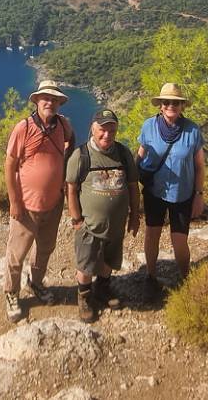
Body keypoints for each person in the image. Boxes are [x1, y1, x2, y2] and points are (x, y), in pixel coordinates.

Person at [3, 80, 75, 323]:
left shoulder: (63, 125)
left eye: (54, 99)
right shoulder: (23, 128)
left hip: (53, 203)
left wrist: (64, 173)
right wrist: (14, 201)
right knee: (17, 253)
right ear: (36, 100)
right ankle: (11, 293)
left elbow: (72, 143)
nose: (50, 102)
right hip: (27, 205)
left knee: (45, 248)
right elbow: (10, 165)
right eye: (46, 98)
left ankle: (35, 283)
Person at [65, 108, 141, 322]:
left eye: (112, 130)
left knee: (110, 259)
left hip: (116, 225)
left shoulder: (123, 154)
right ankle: (85, 297)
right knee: (86, 263)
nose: (107, 135)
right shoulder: (81, 155)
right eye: (102, 129)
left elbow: (133, 186)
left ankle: (103, 289)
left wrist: (135, 216)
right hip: (89, 226)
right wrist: (76, 220)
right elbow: (70, 189)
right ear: (92, 128)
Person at [137, 82, 205, 295]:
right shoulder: (149, 126)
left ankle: (185, 277)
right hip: (155, 192)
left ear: (181, 106)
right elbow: (140, 155)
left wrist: (199, 195)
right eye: (166, 102)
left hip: (183, 194)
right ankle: (150, 275)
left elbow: (200, 166)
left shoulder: (192, 130)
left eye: (175, 102)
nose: (171, 106)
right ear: (160, 105)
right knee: (152, 233)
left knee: (179, 240)